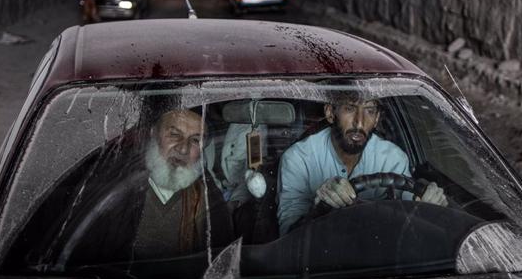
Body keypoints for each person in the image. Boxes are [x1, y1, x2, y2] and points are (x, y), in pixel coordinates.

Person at [48, 107, 236, 267]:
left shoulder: (208, 197)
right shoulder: (112, 184)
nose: (183, 148)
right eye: (174, 134)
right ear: (153, 133)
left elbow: (220, 268)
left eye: (195, 140)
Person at [276, 91, 447, 234]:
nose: (359, 122)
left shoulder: (392, 158)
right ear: (330, 113)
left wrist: (428, 202)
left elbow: (412, 209)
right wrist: (318, 208)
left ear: (377, 118)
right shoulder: (298, 158)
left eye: (369, 111)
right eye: (350, 108)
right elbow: (288, 232)